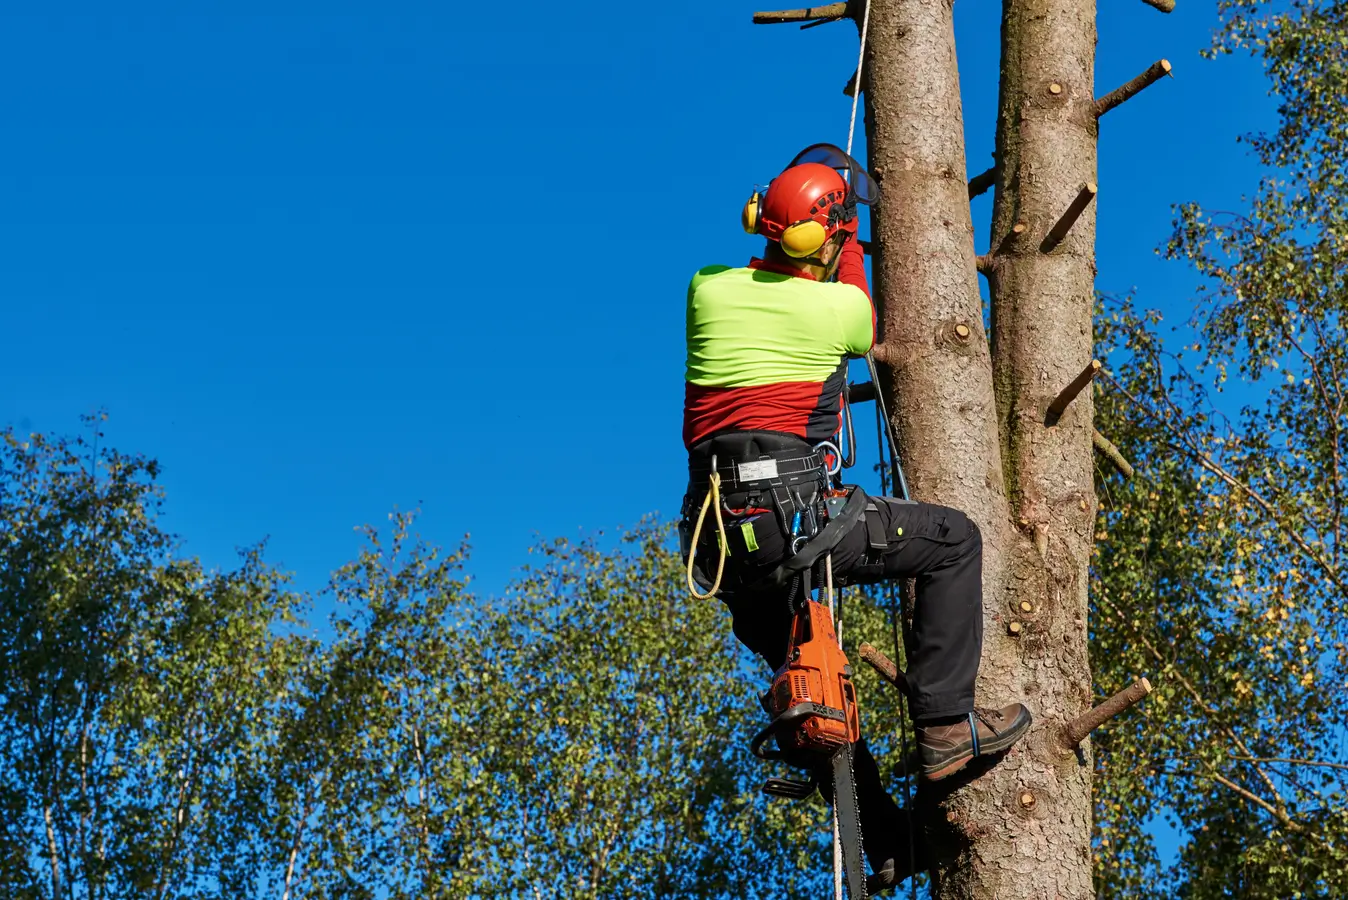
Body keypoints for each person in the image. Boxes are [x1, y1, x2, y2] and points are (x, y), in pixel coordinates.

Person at [680, 144, 1032, 890]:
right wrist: (851, 241)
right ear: (829, 239)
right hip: (794, 518)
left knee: (814, 691)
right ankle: (945, 728)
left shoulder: (706, 291)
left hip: (722, 546)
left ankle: (886, 840)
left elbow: (765, 268)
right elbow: (859, 313)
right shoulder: (836, 307)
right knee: (953, 542)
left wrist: (820, 224)